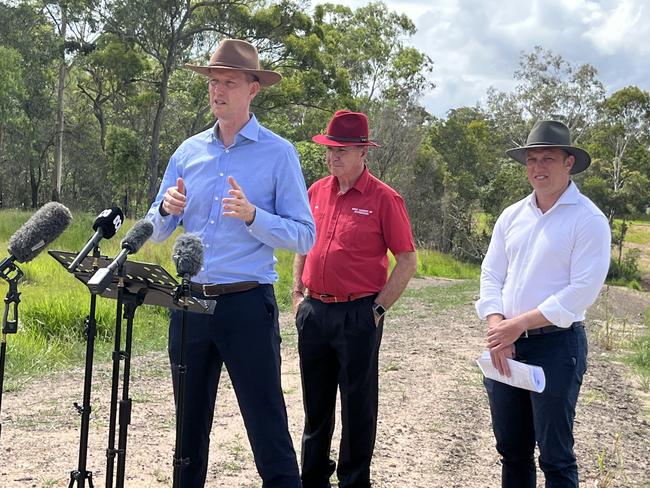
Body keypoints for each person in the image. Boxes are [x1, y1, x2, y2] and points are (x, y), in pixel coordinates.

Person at [145, 38, 315, 488]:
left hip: (246, 307)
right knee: (187, 435)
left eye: (229, 83)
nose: (218, 91)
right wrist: (165, 210)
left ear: (253, 89)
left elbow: (305, 234)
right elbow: (156, 227)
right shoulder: (187, 152)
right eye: (213, 82)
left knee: (267, 427)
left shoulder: (279, 154)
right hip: (189, 307)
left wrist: (255, 217)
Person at [475, 120, 611, 487]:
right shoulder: (512, 215)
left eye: (547, 158)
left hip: (556, 346)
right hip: (505, 342)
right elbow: (491, 274)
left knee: (555, 456)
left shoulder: (588, 219)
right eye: (532, 159)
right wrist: (497, 325)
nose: (538, 167)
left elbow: (581, 290)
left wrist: (518, 324)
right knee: (512, 451)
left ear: (568, 162)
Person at [292, 110, 418, 488]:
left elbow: (408, 260)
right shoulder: (316, 191)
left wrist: (377, 309)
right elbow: (303, 245)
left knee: (357, 406)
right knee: (316, 407)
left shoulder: (384, 198)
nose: (333, 158)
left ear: (363, 151)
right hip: (314, 311)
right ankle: (312, 478)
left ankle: (353, 480)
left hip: (358, 314)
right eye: (330, 150)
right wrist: (297, 295)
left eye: (342, 151)